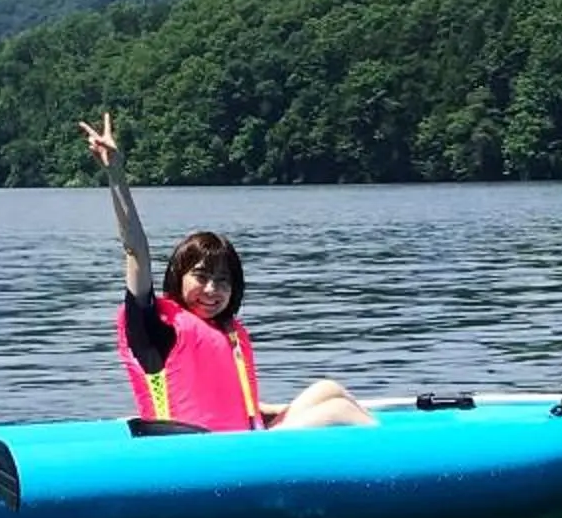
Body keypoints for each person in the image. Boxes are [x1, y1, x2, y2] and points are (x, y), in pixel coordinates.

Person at [78, 115, 372, 431]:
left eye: (222, 281)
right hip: (190, 453)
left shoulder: (223, 330)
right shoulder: (152, 329)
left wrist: (276, 412)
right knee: (336, 411)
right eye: (201, 277)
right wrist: (116, 174)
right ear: (179, 276)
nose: (211, 290)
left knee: (327, 390)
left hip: (238, 445)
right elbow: (135, 248)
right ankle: (404, 471)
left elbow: (222, 398)